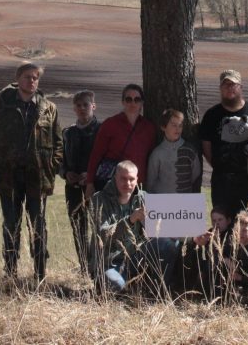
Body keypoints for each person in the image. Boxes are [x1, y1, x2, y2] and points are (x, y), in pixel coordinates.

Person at [0, 61, 63, 282]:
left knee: (38, 226)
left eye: (35, 77)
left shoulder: (48, 108)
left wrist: (51, 167)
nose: (32, 81)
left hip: (37, 178)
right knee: (11, 225)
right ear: (18, 79)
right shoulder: (3, 105)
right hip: (9, 177)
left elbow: (58, 143)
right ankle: (11, 272)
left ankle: (40, 274)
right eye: (28, 77)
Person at [89, 160, 178, 295]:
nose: (128, 183)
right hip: (110, 262)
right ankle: (110, 282)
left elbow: (158, 230)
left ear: (137, 179)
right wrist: (131, 219)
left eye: (131, 179)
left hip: (137, 257)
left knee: (169, 244)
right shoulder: (99, 199)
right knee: (116, 287)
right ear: (115, 178)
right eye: (123, 179)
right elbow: (103, 235)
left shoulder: (144, 197)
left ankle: (158, 290)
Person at [199, 70, 248, 217]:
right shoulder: (212, 115)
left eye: (233, 84)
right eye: (225, 84)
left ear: (240, 87)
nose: (230, 88)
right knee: (223, 223)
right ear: (220, 89)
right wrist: (219, 164)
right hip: (222, 182)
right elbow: (206, 145)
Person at [85, 83, 157, 198]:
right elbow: (96, 155)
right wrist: (89, 183)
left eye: (137, 99)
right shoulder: (110, 124)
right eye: (128, 99)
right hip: (112, 186)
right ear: (123, 102)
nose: (133, 103)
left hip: (137, 187)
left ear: (142, 103)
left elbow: (152, 159)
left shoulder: (149, 128)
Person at [60, 90, 100, 275]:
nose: (82, 108)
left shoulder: (102, 130)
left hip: (97, 187)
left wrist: (91, 175)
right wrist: (66, 173)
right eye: (78, 105)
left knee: (99, 227)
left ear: (93, 106)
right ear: (74, 108)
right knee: (78, 228)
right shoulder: (67, 133)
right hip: (73, 189)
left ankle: (98, 266)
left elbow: (108, 159)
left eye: (86, 104)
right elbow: (60, 159)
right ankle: (85, 268)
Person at [146, 108, 202, 194]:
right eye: (173, 125)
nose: (177, 129)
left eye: (180, 125)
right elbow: (151, 181)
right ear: (163, 127)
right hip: (162, 201)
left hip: (184, 200)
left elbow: (195, 173)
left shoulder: (190, 150)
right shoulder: (157, 153)